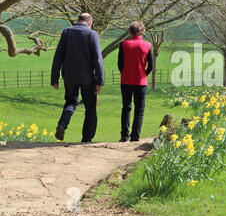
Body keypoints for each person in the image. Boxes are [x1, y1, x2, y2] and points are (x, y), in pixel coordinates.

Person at [51, 13, 104, 142]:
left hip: (69, 77)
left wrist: (54, 78)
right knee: (90, 109)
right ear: (90, 23)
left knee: (70, 102)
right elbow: (98, 60)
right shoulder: (92, 34)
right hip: (88, 78)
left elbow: (58, 57)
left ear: (78, 20)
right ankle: (86, 139)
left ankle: (62, 124)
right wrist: (100, 81)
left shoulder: (66, 32)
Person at [117, 21, 153, 142]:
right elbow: (151, 66)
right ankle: (135, 136)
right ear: (143, 31)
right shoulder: (147, 46)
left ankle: (124, 135)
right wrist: (143, 74)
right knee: (139, 110)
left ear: (130, 31)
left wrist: (125, 73)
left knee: (126, 108)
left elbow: (120, 64)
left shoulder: (124, 44)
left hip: (126, 81)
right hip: (141, 82)